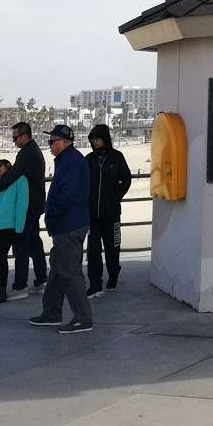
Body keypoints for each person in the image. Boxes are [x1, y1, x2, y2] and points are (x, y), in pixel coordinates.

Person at [29, 125, 93, 333]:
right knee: (58, 268)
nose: (49, 145)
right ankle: (52, 312)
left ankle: (83, 318)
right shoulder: (68, 160)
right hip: (65, 225)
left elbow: (68, 194)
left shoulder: (71, 162)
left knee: (70, 271)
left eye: (52, 141)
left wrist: (52, 212)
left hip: (69, 225)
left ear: (64, 142)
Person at [0, 121, 47, 299]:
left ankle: (20, 285)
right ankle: (41, 280)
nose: (14, 141)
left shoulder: (27, 153)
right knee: (34, 242)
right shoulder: (33, 151)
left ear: (25, 135)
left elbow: (14, 175)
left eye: (15, 137)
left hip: (27, 205)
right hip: (35, 204)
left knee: (21, 243)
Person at [85, 124, 132, 298]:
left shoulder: (117, 157)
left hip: (112, 214)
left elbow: (126, 179)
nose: (95, 142)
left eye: (97, 139)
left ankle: (113, 274)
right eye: (92, 140)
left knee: (113, 247)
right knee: (93, 250)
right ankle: (95, 284)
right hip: (92, 216)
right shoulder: (88, 159)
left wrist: (116, 196)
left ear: (105, 139)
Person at [0, 159, 29, 305]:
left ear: (7, 166)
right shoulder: (1, 183)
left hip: (8, 225)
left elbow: (22, 204)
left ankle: (1, 290)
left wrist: (19, 228)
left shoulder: (20, 180)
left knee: (1, 257)